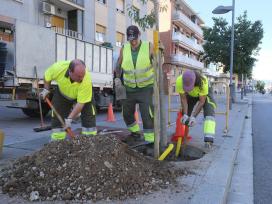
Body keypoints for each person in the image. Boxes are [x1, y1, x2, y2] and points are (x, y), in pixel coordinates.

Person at [115, 25, 154, 143]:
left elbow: (157, 62)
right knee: (126, 113)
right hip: (129, 88)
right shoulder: (124, 48)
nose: (133, 42)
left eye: (135, 38)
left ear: (139, 35)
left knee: (147, 114)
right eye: (131, 39)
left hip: (146, 87)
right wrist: (117, 79)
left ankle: (150, 140)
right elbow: (118, 64)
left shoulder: (148, 46)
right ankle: (135, 133)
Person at [39, 59, 97, 141]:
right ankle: (57, 142)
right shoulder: (58, 68)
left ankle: (90, 141)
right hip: (63, 93)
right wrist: (46, 90)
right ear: (70, 72)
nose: (81, 78)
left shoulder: (86, 79)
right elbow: (47, 76)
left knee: (89, 115)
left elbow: (80, 103)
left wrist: (69, 119)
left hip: (82, 96)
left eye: (83, 75)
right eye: (79, 76)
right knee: (57, 116)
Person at [176, 70, 216, 143]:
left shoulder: (203, 82)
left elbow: (202, 102)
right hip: (191, 95)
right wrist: (185, 115)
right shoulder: (179, 81)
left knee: (209, 110)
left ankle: (209, 139)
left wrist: (194, 117)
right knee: (185, 114)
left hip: (204, 94)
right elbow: (183, 99)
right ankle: (184, 137)